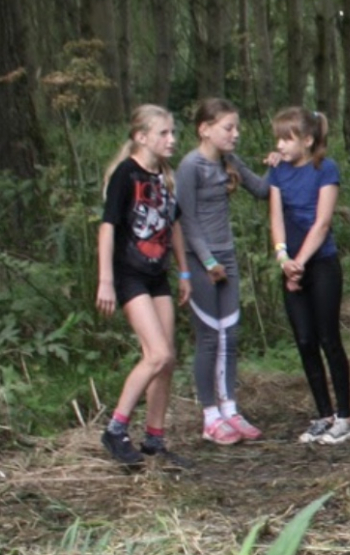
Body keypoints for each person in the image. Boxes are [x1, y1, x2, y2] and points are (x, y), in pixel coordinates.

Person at [94, 104, 190, 467]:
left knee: (168, 361)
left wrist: (183, 272)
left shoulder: (165, 175)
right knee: (157, 354)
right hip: (129, 274)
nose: (172, 140)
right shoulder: (126, 174)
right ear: (141, 137)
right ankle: (115, 429)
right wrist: (105, 280)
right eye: (164, 133)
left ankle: (154, 439)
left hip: (157, 274)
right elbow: (107, 227)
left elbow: (174, 225)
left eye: (173, 133)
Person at [173, 97, 269, 443]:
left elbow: (262, 189)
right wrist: (208, 261)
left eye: (236, 127)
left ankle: (230, 408)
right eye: (229, 127)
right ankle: (210, 416)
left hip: (227, 255)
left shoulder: (230, 161)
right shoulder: (190, 166)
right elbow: (186, 218)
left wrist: (280, 163)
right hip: (201, 260)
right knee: (209, 336)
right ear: (205, 129)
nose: (236, 134)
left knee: (230, 334)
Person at [266, 106, 350, 445]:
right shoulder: (277, 172)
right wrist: (282, 257)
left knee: (328, 338)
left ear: (307, 140)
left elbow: (322, 223)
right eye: (278, 138)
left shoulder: (325, 169)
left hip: (321, 264)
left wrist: (301, 261)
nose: (280, 145)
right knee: (304, 340)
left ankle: (345, 416)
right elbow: (275, 216)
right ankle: (323, 413)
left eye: (286, 138)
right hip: (290, 265)